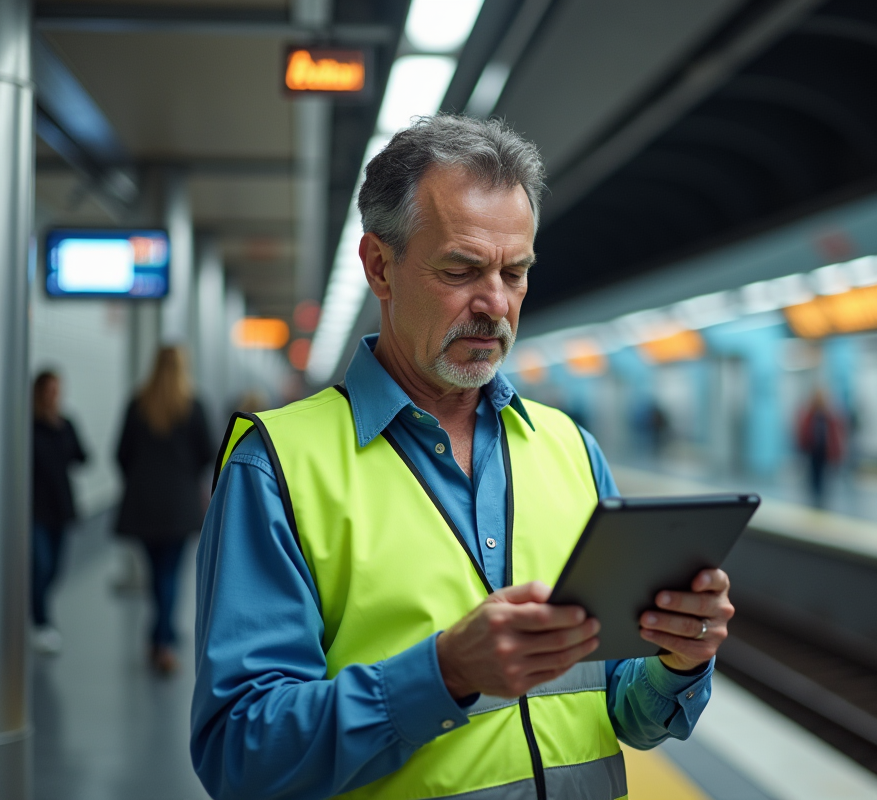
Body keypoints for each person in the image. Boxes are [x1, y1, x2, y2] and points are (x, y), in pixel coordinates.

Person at [192, 115, 735, 800]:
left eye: (517, 272)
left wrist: (678, 661)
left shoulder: (569, 449)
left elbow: (625, 713)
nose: (495, 305)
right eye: (463, 269)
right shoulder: (277, 468)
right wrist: (443, 673)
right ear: (379, 267)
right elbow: (241, 754)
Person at [116, 346, 214, 674]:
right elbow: (208, 452)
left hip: (143, 502)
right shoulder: (193, 405)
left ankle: (160, 634)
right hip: (179, 503)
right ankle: (164, 641)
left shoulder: (138, 404)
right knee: (170, 573)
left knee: (156, 572)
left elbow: (121, 453)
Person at [31, 370, 88, 655]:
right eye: (48, 390)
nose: (53, 396)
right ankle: (41, 622)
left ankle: (36, 608)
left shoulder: (65, 424)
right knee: (40, 565)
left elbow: (82, 455)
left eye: (57, 390)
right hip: (34, 510)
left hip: (60, 509)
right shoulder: (29, 426)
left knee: (54, 569)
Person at [796, 389, 843, 506]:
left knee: (822, 473)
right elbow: (804, 431)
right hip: (813, 449)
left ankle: (820, 495)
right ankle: (815, 494)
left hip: (824, 450)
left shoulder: (828, 416)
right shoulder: (810, 415)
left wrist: (836, 450)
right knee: (813, 473)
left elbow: (833, 434)